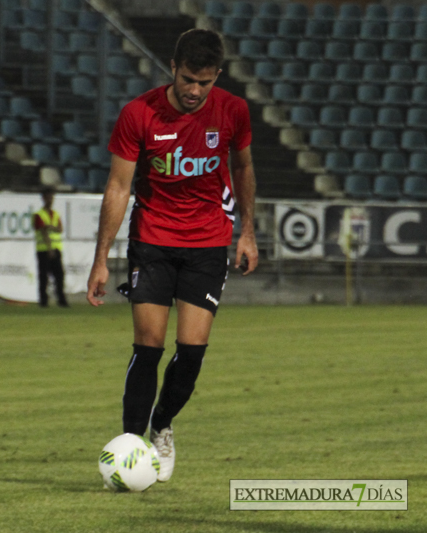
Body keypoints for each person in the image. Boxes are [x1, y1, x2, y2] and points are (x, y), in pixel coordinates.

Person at [86, 29, 258, 483]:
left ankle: (162, 425)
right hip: (153, 241)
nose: (195, 91)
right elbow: (118, 187)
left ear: (217, 76)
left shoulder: (233, 111)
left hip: (207, 244)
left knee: (192, 351)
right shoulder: (139, 113)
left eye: (204, 82)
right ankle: (130, 444)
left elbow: (242, 168)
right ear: (172, 68)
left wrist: (248, 233)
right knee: (148, 347)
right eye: (187, 79)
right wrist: (101, 258)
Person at [33, 187, 69, 307]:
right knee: (44, 277)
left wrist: (50, 227)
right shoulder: (39, 215)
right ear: (43, 198)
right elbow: (43, 232)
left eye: (52, 197)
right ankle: (43, 301)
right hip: (44, 250)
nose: (51, 200)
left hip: (56, 249)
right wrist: (49, 249)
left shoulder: (55, 214)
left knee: (59, 276)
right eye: (48, 197)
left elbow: (60, 228)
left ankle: (61, 300)